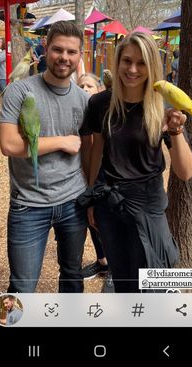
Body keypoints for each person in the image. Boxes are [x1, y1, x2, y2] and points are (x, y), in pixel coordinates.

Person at [83, 32, 192, 293]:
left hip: (148, 204)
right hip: (109, 204)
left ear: (152, 66)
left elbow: (186, 172)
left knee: (153, 280)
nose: (132, 69)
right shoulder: (100, 103)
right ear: (118, 61)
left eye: (141, 63)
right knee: (122, 279)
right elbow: (96, 152)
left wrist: (176, 132)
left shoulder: (163, 103)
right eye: (127, 61)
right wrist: (91, 199)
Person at [0, 21, 92, 293]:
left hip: (73, 202)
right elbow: (9, 144)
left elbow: (88, 150)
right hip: (28, 204)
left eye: (71, 52)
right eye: (57, 49)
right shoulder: (20, 91)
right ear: (45, 49)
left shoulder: (84, 100)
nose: (64, 57)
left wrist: (90, 197)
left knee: (72, 275)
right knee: (22, 286)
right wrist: (62, 141)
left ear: (79, 56)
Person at [77, 73, 113, 290]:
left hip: (102, 179)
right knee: (90, 222)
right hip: (80, 178)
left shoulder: (104, 112)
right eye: (81, 85)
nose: (85, 89)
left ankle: (114, 266)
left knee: (103, 222)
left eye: (89, 85)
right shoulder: (77, 114)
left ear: (99, 89)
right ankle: (102, 262)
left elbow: (97, 150)